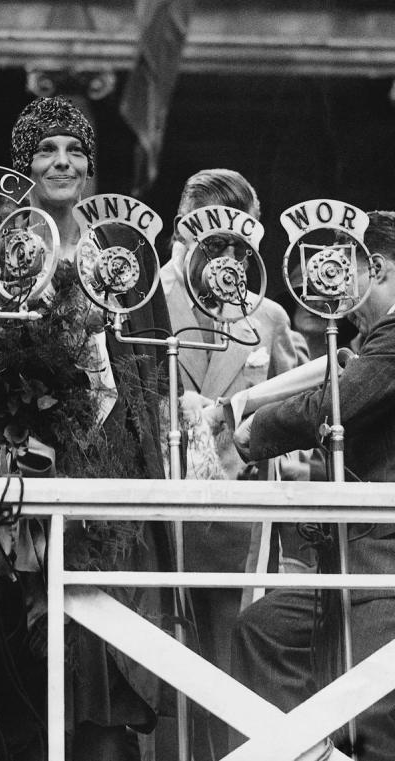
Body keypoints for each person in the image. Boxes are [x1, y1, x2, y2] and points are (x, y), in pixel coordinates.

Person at [9, 96, 174, 761]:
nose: (63, 161)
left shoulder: (123, 250)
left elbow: (153, 359)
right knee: (35, 649)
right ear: (25, 164)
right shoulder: (7, 250)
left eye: (75, 150)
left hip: (115, 459)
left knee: (110, 646)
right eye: (47, 150)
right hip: (35, 456)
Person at [230, 210, 395, 761]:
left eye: (347, 274)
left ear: (379, 268)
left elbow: (336, 404)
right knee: (265, 630)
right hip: (354, 558)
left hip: (382, 564)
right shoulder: (374, 340)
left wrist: (255, 430)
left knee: (372, 719)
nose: (340, 292)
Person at [159, 168, 304, 758]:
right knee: (159, 667)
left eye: (240, 240)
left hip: (239, 522)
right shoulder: (144, 297)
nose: (226, 253)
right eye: (210, 237)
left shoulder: (267, 316)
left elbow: (298, 416)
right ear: (183, 231)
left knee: (232, 666)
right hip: (156, 510)